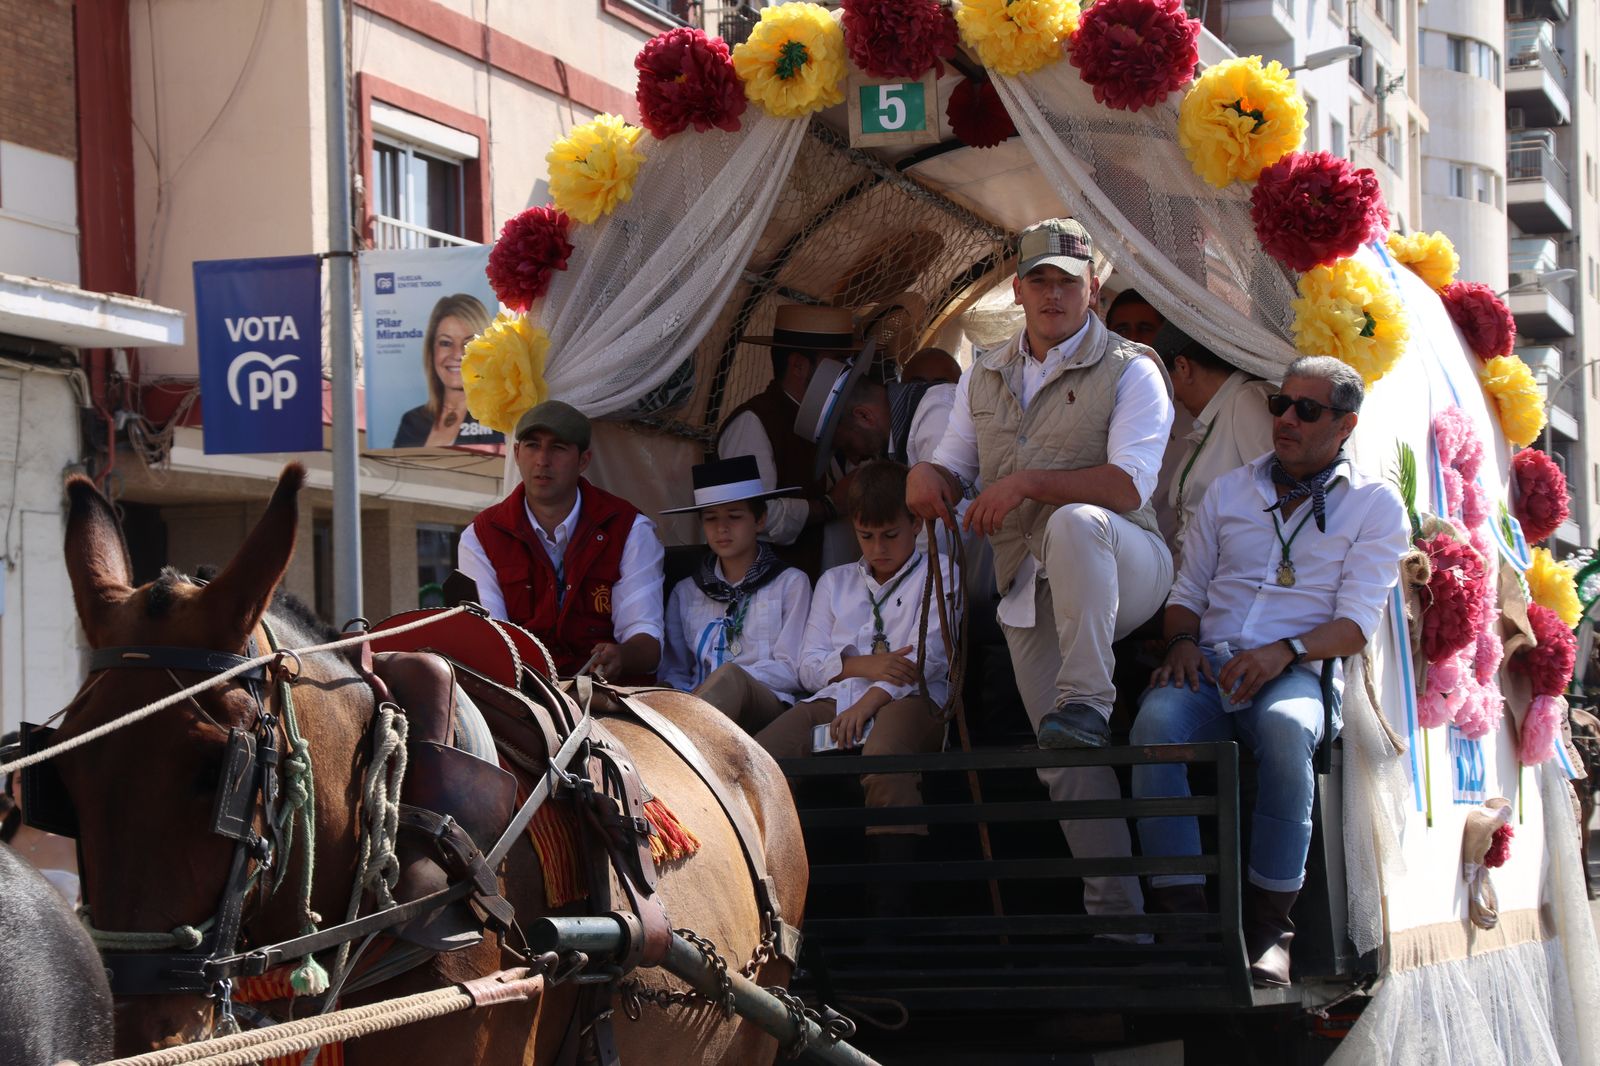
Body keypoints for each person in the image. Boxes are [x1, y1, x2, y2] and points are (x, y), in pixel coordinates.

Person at [906, 217, 1174, 921]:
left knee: (1077, 522)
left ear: (1095, 288)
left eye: (1069, 282)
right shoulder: (983, 372)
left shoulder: (1134, 367)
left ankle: (1087, 701)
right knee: (1063, 766)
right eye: (1041, 281)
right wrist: (923, 476)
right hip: (1029, 584)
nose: (1055, 295)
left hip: (1128, 566)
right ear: (1019, 289)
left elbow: (1127, 488)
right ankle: (1120, 923)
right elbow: (952, 463)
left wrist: (1026, 484)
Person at [1131, 356, 1408, 986]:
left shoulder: (1372, 504)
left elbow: (1354, 625)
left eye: (1306, 410)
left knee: (1287, 730)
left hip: (1297, 672)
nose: (1285, 418)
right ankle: (1186, 921)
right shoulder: (1232, 489)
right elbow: (1189, 590)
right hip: (1212, 667)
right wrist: (1180, 642)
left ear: (1345, 426)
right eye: (1279, 404)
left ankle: (1270, 932)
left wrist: (1283, 651)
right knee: (1153, 727)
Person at [755, 460, 952, 886]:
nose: (878, 547)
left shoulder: (941, 570)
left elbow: (926, 658)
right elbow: (808, 666)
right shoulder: (835, 582)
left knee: (884, 757)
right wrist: (865, 666)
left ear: (915, 522)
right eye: (866, 536)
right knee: (761, 756)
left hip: (912, 700)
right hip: (834, 701)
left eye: (890, 535)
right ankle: (774, 893)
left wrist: (868, 696)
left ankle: (888, 914)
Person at [457, 400, 665, 682]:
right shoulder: (480, 536)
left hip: (612, 696)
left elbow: (647, 641)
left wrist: (623, 656)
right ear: (516, 453)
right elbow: (491, 637)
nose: (542, 460)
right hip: (523, 697)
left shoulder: (630, 529)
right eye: (532, 445)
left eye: (558, 447)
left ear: (583, 460)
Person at [659, 456, 812, 732]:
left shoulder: (790, 584)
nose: (722, 528)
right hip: (695, 705)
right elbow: (674, 671)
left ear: (760, 519)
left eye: (734, 516)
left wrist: (730, 681)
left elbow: (793, 668)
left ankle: (677, 745)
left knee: (730, 677)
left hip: (767, 704)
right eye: (711, 518)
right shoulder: (686, 591)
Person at [718, 303, 860, 574]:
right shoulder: (753, 422)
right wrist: (827, 507)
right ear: (798, 366)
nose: (846, 374)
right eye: (839, 363)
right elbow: (750, 515)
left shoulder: (833, 419)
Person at [1152, 324, 1276, 559]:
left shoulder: (1247, 400)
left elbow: (1276, 499)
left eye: (1169, 383)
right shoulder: (1220, 412)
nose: (1173, 397)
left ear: (1183, 367)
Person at [392, 293, 503, 448]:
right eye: (445, 343)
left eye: (468, 343)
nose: (457, 355)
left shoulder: (500, 419)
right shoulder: (412, 422)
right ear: (431, 351)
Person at [0, 733, 80, 903]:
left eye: (38, 780)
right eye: (21, 781)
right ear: (11, 788)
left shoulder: (77, 839)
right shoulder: (2, 837)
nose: (29, 789)